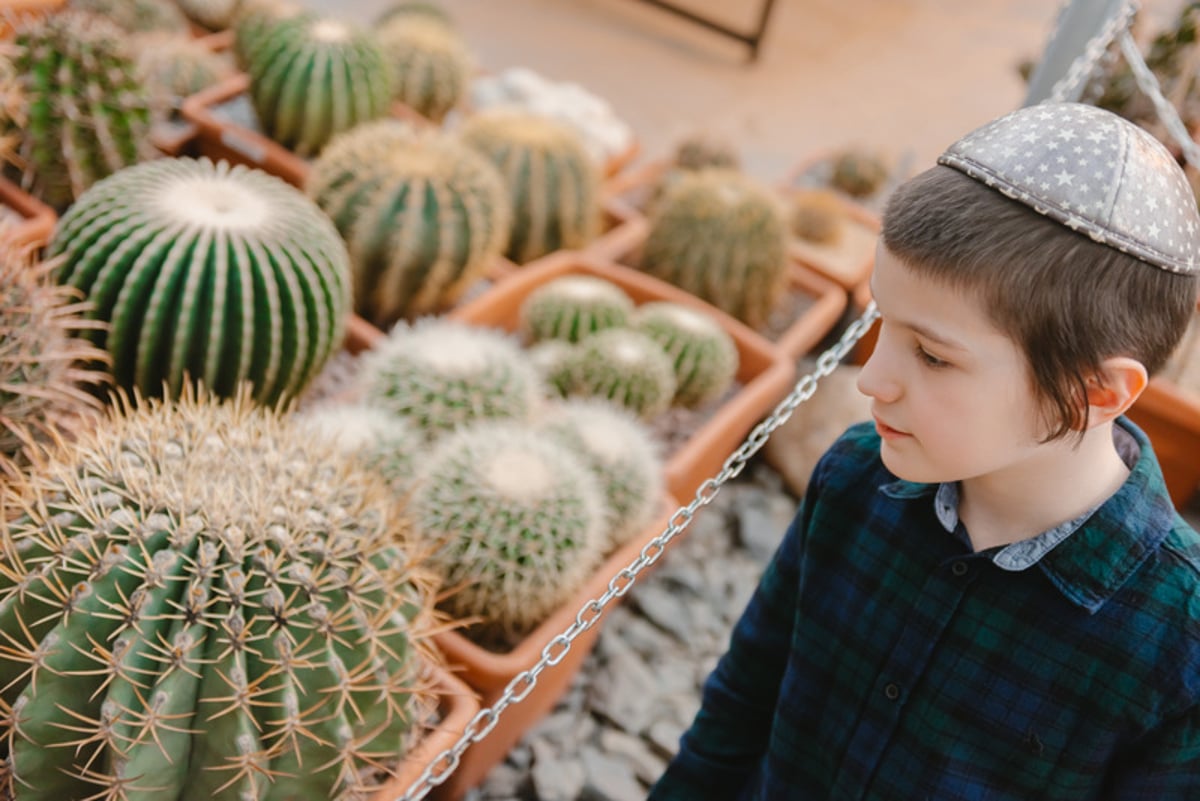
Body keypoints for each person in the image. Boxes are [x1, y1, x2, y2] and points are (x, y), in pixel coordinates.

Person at [647, 101, 1200, 800]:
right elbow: (744, 697)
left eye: (933, 356)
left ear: (1094, 391)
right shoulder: (854, 474)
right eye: (882, 322)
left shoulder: (1178, 642)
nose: (872, 379)